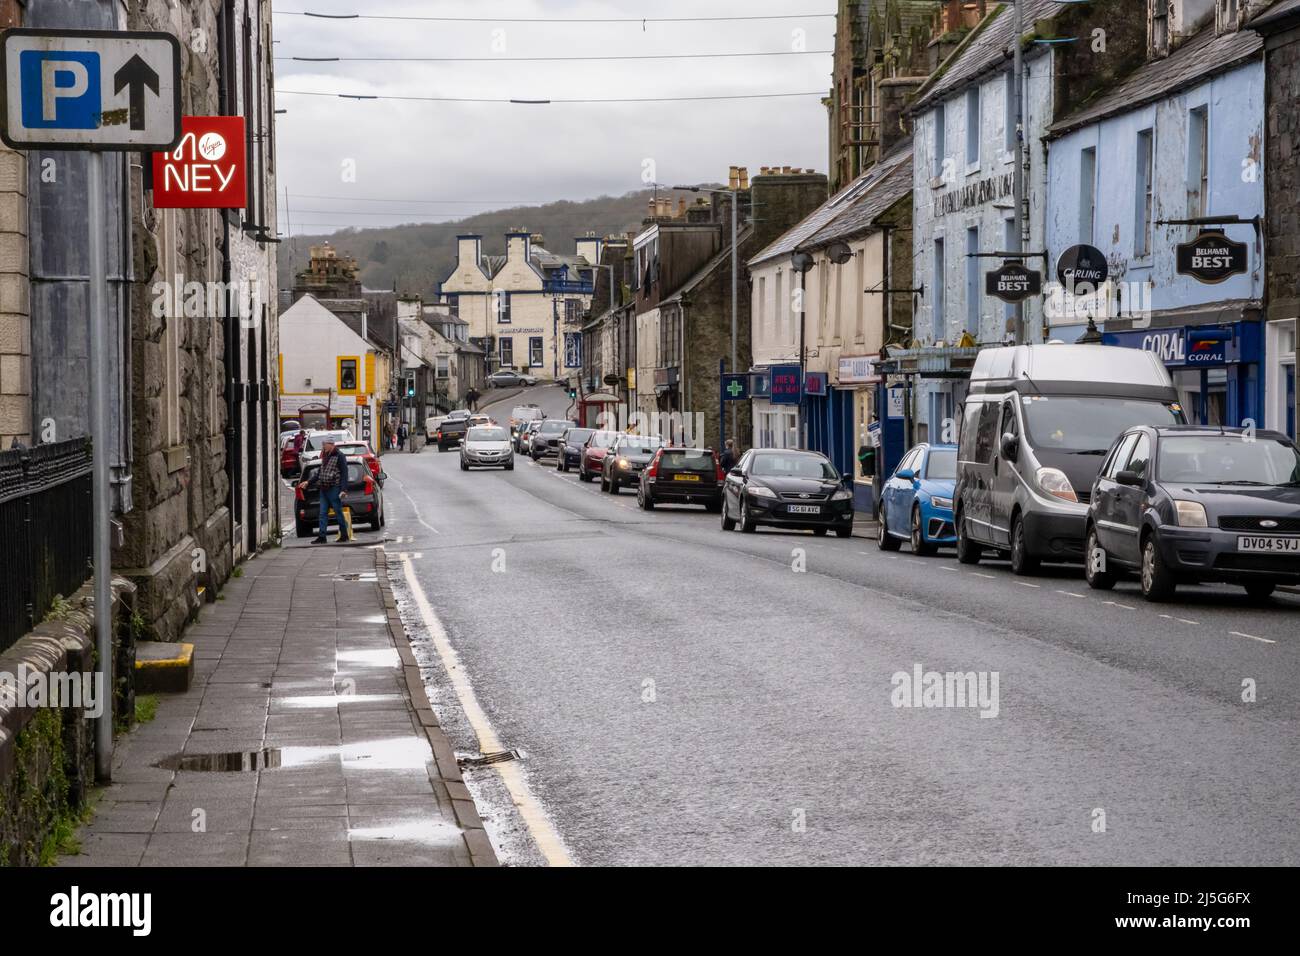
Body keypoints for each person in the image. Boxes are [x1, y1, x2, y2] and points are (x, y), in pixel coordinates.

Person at [309, 440, 351, 543]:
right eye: (323, 445)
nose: (323, 447)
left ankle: (344, 534)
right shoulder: (325, 454)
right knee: (322, 513)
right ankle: (322, 536)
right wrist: (308, 482)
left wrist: (343, 489)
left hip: (334, 488)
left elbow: (344, 473)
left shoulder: (340, 456)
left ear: (331, 445)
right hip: (323, 488)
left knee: (338, 512)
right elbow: (321, 471)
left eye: (325, 445)